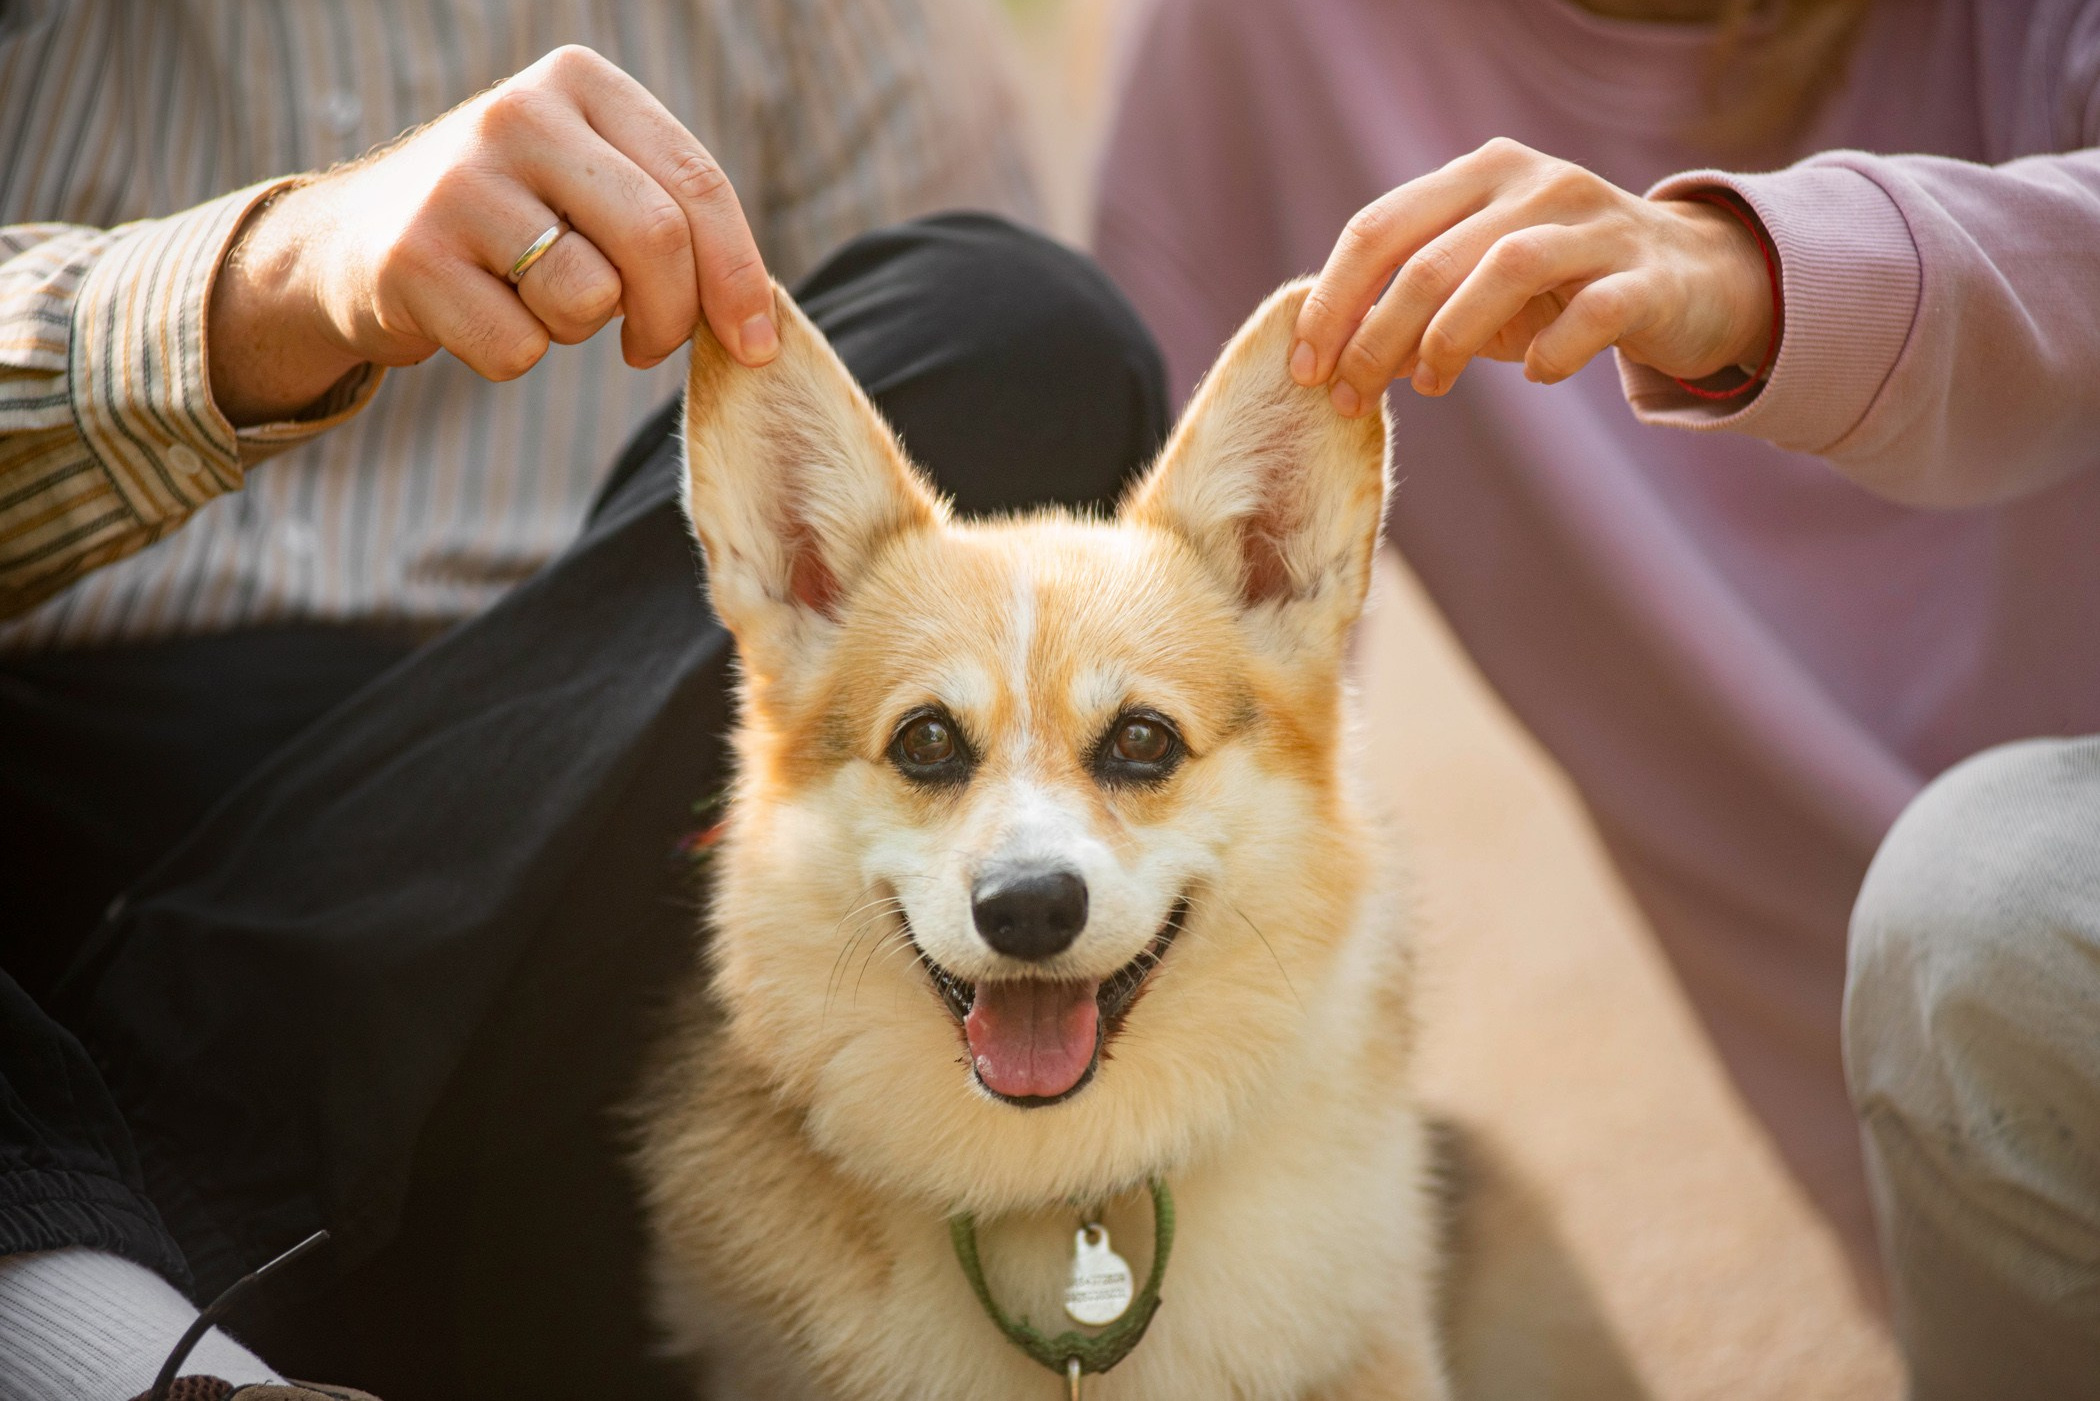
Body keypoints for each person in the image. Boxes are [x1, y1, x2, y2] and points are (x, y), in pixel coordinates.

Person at [0, 5, 1167, 1400]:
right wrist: (273, 284)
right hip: (43, 809)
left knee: (1029, 332)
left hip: (574, 817)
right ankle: (110, 1331)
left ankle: (127, 1207)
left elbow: (1011, 559)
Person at [1094, 0, 2100, 1392]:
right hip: (1978, 1176)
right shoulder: (1258, 48)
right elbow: (1133, 678)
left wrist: (1749, 269)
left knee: (1981, 906)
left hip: (2024, 914)